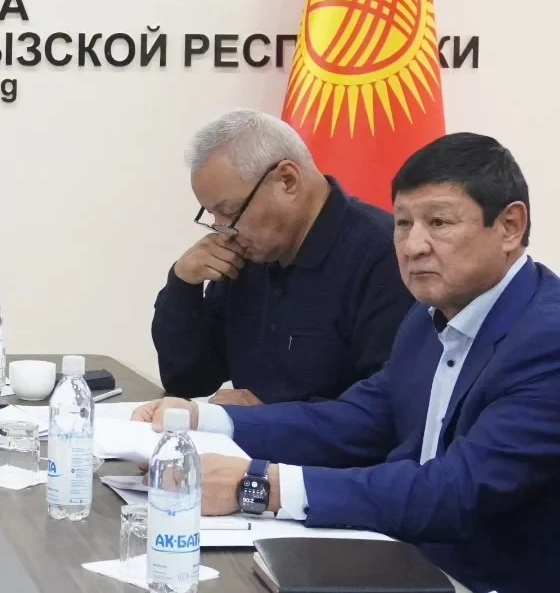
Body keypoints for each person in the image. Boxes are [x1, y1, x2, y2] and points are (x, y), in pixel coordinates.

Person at [133, 133, 560, 593]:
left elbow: (455, 491)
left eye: (438, 222)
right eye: (403, 223)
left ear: (510, 226)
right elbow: (358, 420)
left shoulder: (546, 340)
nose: (413, 246)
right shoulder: (427, 317)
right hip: (403, 560)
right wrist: (203, 419)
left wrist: (259, 485)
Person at [150, 108, 412, 404]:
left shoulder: (385, 255)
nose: (223, 230)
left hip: (317, 437)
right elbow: (187, 379)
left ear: (288, 180)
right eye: (212, 215)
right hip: (249, 433)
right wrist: (183, 284)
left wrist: (270, 419)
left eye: (230, 211)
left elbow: (385, 407)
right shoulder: (247, 253)